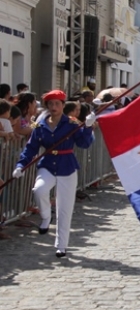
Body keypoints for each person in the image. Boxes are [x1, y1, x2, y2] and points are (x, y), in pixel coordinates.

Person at [12, 90, 96, 258]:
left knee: (65, 208)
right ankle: (45, 217)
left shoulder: (72, 123)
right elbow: (31, 147)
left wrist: (87, 127)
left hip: (67, 166)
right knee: (39, 190)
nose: (54, 107)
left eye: (57, 103)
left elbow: (84, 144)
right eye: (50, 104)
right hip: (48, 164)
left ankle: (61, 245)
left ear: (63, 105)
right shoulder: (39, 125)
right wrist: (21, 165)